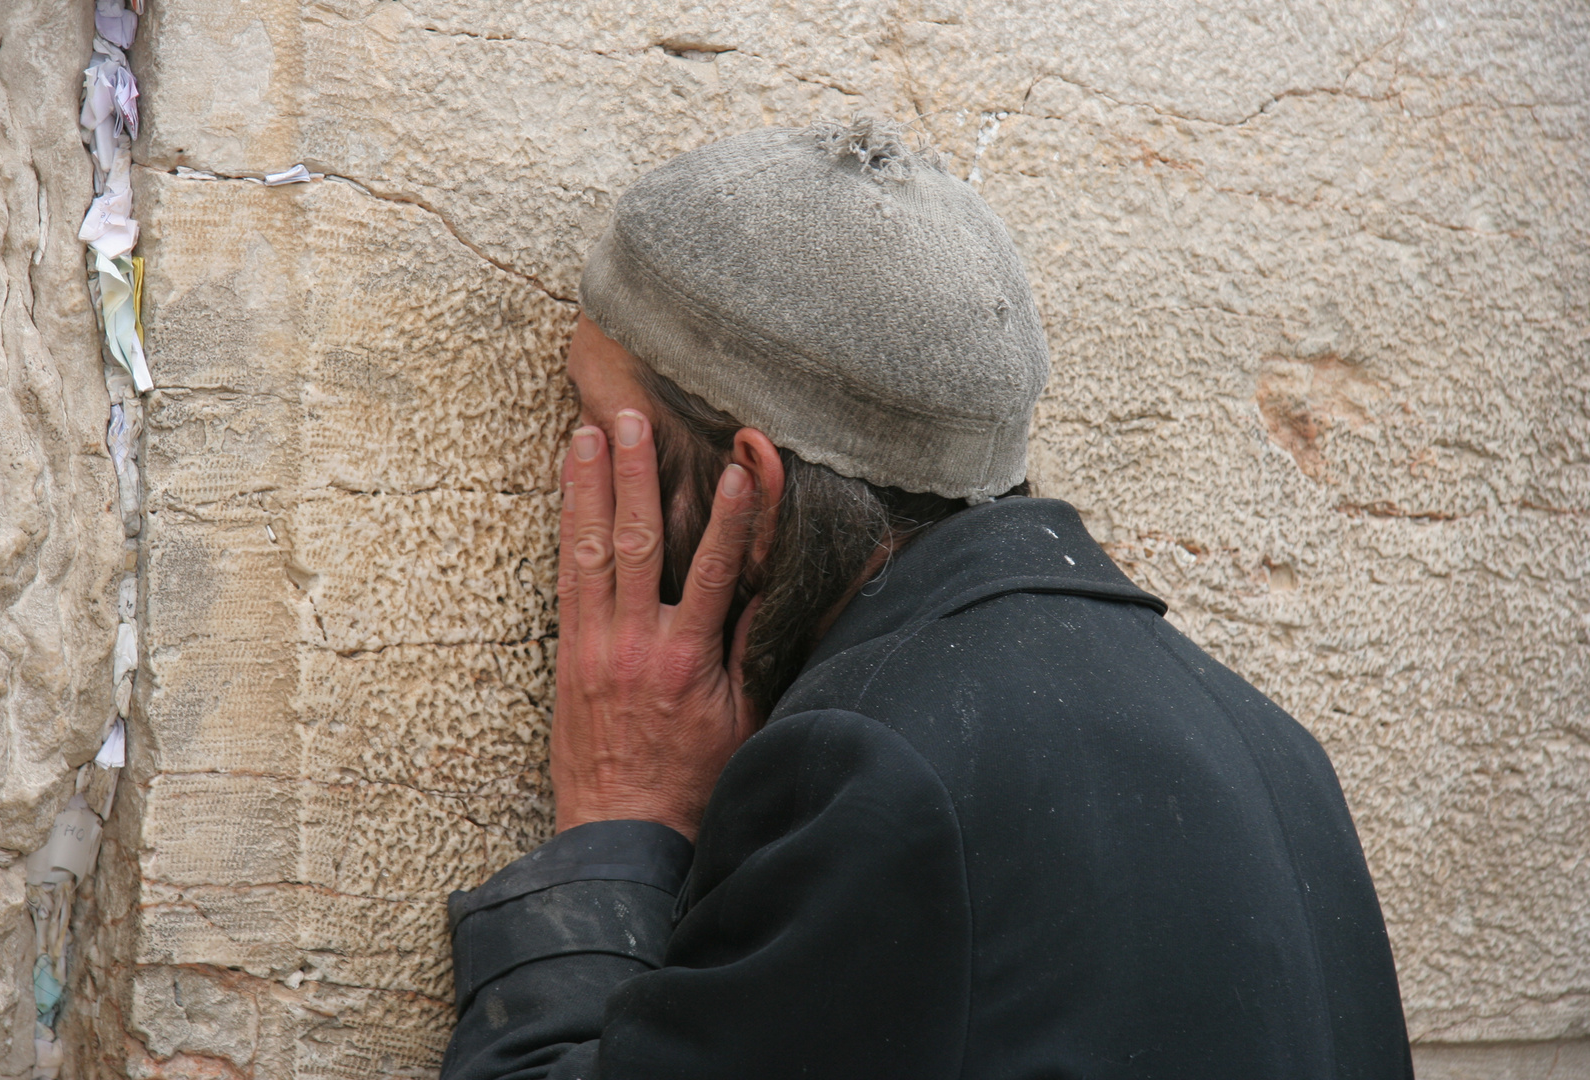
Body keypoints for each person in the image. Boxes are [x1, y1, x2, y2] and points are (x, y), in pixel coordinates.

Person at [442, 118, 1413, 1080]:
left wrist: (619, 824)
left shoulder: (869, 774)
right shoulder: (1274, 749)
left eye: (596, 428)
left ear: (758, 493)